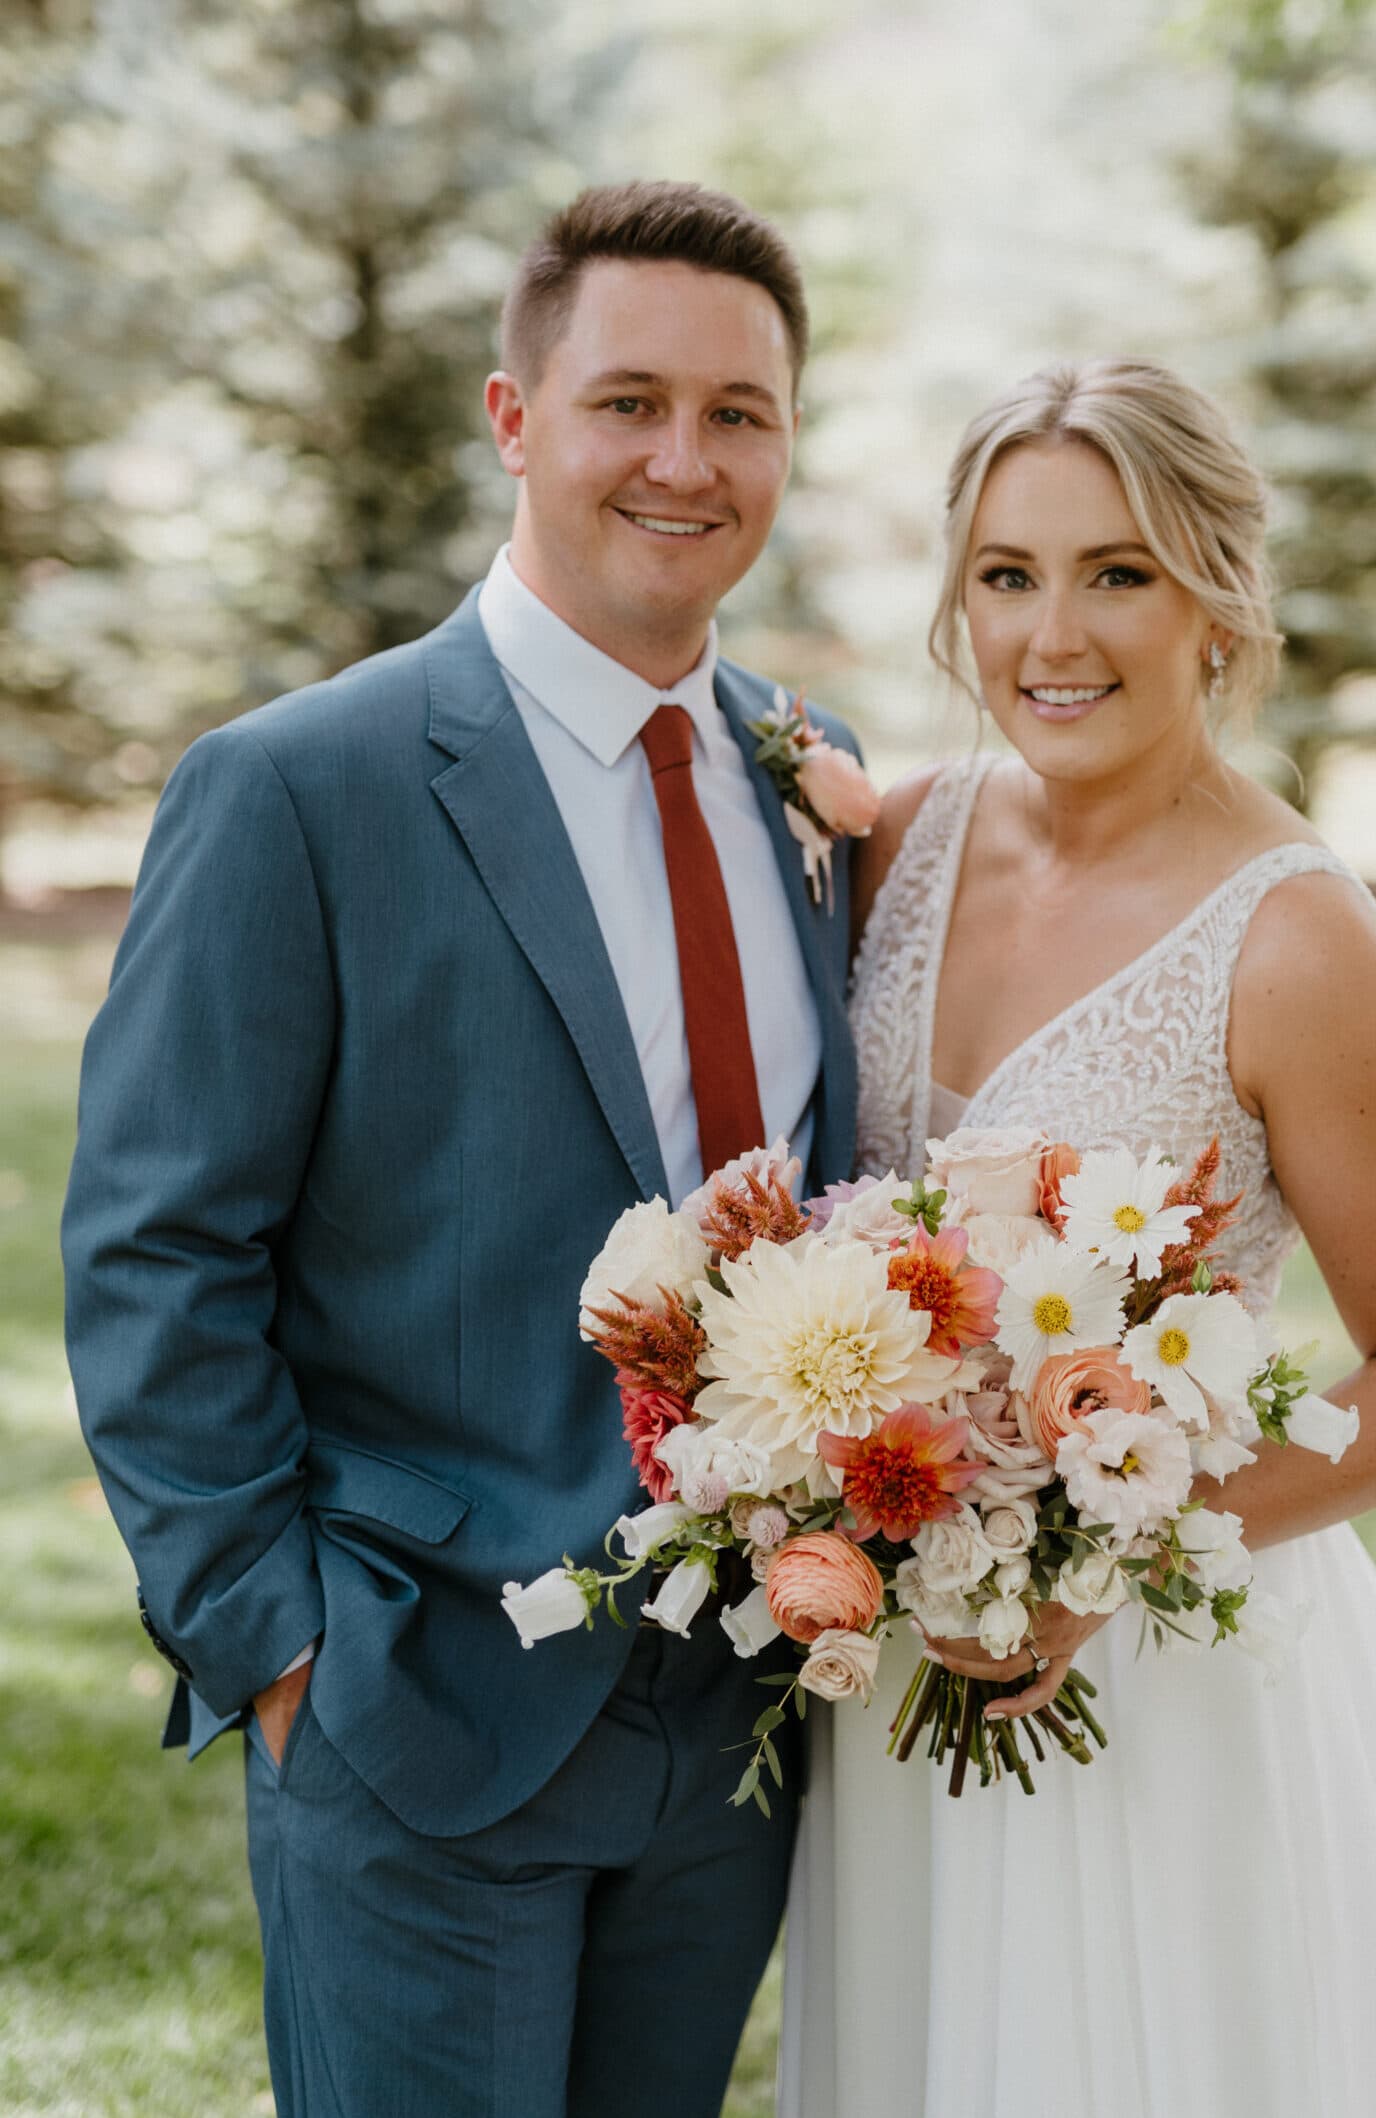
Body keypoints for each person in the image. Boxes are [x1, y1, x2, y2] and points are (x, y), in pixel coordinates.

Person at [61, 179, 863, 2118]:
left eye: (739, 414)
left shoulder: (810, 784)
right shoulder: (294, 790)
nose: (686, 460)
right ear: (515, 421)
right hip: (412, 1707)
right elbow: (157, 1255)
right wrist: (278, 1654)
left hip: (736, 1724)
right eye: (629, 402)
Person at [780, 357, 1376, 2116]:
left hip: (1160, 1669)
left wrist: (1110, 1557)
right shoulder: (905, 843)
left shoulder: (1301, 944)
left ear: (1219, 599)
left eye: (1119, 571)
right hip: (900, 1659)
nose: (1053, 634)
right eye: (1009, 574)